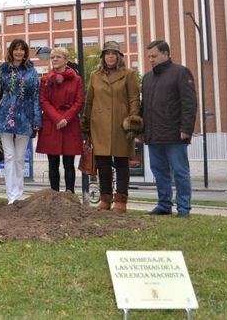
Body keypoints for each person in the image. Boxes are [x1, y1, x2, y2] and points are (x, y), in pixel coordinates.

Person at [82, 41, 141, 213]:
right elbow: (89, 100)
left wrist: (133, 120)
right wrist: (85, 123)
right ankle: (105, 199)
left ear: (119, 56)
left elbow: (134, 99)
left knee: (122, 162)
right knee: (103, 164)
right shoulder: (94, 75)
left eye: (113, 53)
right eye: (107, 53)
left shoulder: (129, 74)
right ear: (103, 57)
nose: (110, 56)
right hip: (98, 125)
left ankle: (121, 201)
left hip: (120, 125)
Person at [141, 40, 197, 218]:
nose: (151, 59)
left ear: (166, 54)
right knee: (159, 172)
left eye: (154, 56)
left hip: (175, 135)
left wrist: (186, 129)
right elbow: (144, 107)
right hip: (153, 135)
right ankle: (164, 205)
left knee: (180, 172)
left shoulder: (181, 72)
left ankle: (183, 208)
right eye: (149, 56)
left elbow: (189, 103)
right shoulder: (147, 78)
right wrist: (141, 132)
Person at [0, 39, 41, 204]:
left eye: (22, 49)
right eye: (16, 49)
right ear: (11, 51)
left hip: (25, 117)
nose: (19, 52)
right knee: (9, 156)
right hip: (5, 116)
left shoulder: (32, 71)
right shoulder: (3, 69)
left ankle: (19, 194)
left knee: (20, 158)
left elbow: (36, 96)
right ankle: (11, 197)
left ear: (26, 52)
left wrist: (36, 119)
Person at [36, 47, 84, 193]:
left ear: (66, 60)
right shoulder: (45, 80)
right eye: (52, 57)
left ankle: (70, 193)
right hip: (52, 124)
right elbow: (43, 101)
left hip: (70, 125)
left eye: (58, 57)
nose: (55, 59)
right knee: (53, 163)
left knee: (69, 163)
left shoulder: (76, 80)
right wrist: (57, 118)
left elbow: (79, 101)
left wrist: (67, 118)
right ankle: (54, 195)